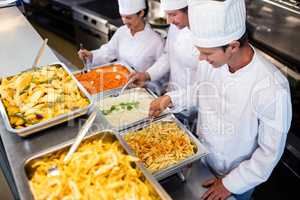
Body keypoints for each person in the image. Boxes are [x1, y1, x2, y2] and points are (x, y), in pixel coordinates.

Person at [149, 0, 292, 200]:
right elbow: (201, 91)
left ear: (232, 46)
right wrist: (170, 98)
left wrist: (230, 184)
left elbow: (268, 153)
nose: (200, 58)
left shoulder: (272, 86)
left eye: (206, 53)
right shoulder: (212, 63)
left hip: (237, 179)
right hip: (202, 160)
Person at [129, 0, 199, 127]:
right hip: (171, 98)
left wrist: (170, 98)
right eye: (167, 14)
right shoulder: (175, 26)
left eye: (173, 14)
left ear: (190, 10)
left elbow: (206, 87)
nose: (168, 21)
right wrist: (147, 75)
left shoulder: (206, 37)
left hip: (194, 105)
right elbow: (168, 55)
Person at [78, 0, 164, 73]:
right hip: (119, 81)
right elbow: (108, 51)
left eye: (128, 18)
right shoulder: (122, 31)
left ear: (141, 13)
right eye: (122, 17)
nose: (124, 22)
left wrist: (146, 84)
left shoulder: (156, 41)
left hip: (141, 89)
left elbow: (161, 75)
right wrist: (91, 55)